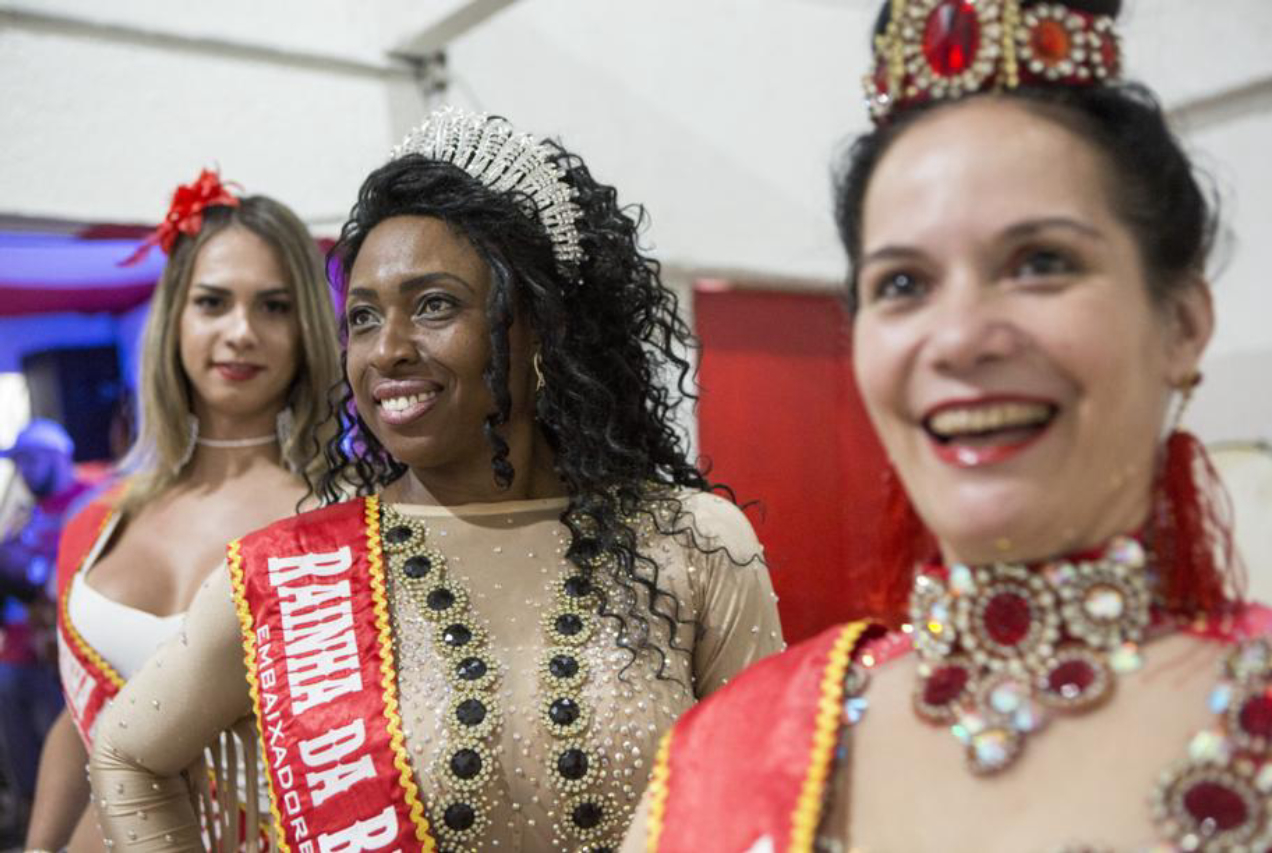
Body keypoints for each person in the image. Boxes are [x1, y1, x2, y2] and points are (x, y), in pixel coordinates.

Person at [620, 1, 1272, 850]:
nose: (960, 338)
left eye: (1041, 263)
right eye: (902, 284)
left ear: (1183, 322)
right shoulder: (724, 756)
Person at [86, 108, 784, 852]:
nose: (387, 350)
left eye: (434, 305)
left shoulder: (692, 543)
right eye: (361, 318)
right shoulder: (286, 577)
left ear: (539, 324)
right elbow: (127, 754)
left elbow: (775, 786)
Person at [23, 169, 342, 853]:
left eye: (275, 306)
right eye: (213, 301)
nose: (241, 331)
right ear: (176, 318)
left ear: (308, 325)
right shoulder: (97, 519)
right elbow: (76, 723)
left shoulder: (339, 522)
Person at [0, 419, 98, 841]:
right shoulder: (27, 513)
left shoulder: (91, 503)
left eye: (31, 459)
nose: (23, 470)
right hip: (17, 656)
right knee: (24, 761)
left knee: (70, 764)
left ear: (58, 456)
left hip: (63, 657)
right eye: (18, 461)